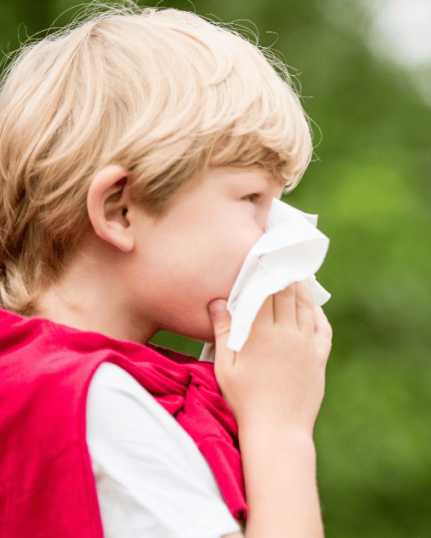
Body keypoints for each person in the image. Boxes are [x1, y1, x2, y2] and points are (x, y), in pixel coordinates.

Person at [0, 6, 331, 538]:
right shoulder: (99, 407)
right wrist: (280, 427)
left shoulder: (35, 379)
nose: (277, 235)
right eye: (252, 197)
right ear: (120, 210)